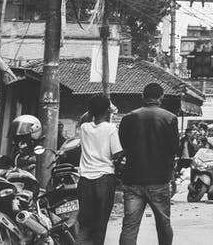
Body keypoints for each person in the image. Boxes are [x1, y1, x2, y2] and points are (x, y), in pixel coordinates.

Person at [118, 82, 180, 245]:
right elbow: (174, 148)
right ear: (161, 97)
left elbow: (123, 144)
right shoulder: (169, 118)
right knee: (163, 223)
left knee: (130, 226)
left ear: (142, 97)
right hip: (159, 179)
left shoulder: (129, 117)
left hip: (133, 178)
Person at [77, 95, 122, 245]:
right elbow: (116, 153)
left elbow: (85, 119)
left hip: (85, 180)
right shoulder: (110, 129)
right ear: (108, 110)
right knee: (100, 225)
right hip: (104, 178)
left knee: (85, 224)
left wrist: (92, 112)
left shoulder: (84, 128)